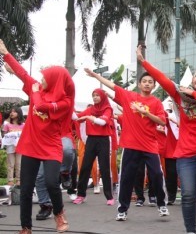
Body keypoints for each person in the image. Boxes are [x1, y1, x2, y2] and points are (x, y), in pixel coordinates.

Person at [137, 46, 196, 234]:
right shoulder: (180, 94)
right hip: (186, 153)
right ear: (192, 79)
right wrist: (144, 62)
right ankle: (190, 230)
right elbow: (162, 79)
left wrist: (194, 93)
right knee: (189, 194)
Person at [0, 39, 73, 234]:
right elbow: (23, 74)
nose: (40, 81)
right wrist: (6, 53)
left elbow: (40, 107)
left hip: (50, 146)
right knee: (25, 189)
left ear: (55, 80)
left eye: (44, 78)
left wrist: (35, 92)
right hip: (31, 144)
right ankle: (26, 227)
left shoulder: (64, 101)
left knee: (51, 182)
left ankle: (59, 213)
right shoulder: (36, 89)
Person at [84, 68, 169, 221]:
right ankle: (122, 209)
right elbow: (111, 85)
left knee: (156, 174)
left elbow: (162, 121)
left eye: (150, 82)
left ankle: (161, 204)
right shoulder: (129, 96)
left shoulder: (156, 102)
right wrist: (96, 76)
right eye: (144, 81)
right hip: (131, 145)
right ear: (139, 84)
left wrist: (146, 113)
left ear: (154, 85)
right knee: (127, 178)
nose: (147, 84)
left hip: (150, 145)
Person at [72, 89, 115, 205]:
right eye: (93, 96)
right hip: (91, 140)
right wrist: (68, 106)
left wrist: (90, 118)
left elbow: (103, 122)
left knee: (105, 168)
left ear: (102, 97)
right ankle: (81, 195)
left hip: (103, 140)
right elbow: (76, 117)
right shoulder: (90, 109)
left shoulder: (108, 109)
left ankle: (109, 197)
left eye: (97, 95)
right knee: (85, 167)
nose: (95, 97)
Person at [1, 107, 25, 186]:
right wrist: (9, 135)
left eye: (14, 112)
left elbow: (25, 136)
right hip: (10, 147)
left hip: (20, 147)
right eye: (11, 112)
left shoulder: (23, 125)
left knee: (19, 164)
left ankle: (19, 179)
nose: (12, 113)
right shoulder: (7, 125)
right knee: (10, 164)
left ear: (19, 113)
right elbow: (4, 135)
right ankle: (10, 180)